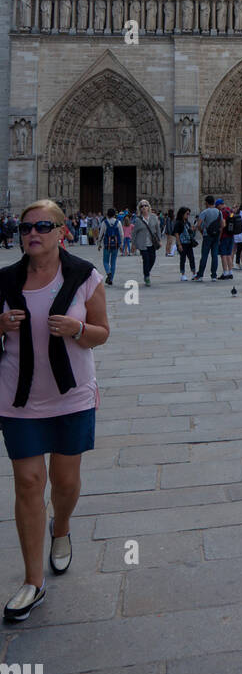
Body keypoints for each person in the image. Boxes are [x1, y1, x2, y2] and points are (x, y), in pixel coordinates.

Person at [0, 199, 109, 622]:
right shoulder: (5, 279)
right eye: (25, 227)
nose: (33, 233)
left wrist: (79, 329)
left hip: (71, 397)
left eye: (43, 226)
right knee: (28, 484)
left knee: (65, 483)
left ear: (61, 231)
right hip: (18, 398)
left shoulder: (84, 275)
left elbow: (102, 333)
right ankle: (32, 582)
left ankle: (60, 527)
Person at [192, 196, 222, 282]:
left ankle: (200, 275)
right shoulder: (219, 212)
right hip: (216, 236)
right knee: (214, 255)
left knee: (204, 255)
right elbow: (222, 225)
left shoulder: (204, 212)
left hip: (207, 235)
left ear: (206, 203)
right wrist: (219, 235)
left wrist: (202, 231)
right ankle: (214, 276)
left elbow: (198, 224)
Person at [132, 200, 161, 288]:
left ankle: (146, 272)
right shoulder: (138, 220)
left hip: (152, 243)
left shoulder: (154, 217)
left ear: (148, 207)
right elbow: (134, 233)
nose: (144, 207)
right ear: (140, 209)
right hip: (142, 244)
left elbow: (158, 229)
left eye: (145, 205)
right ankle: (147, 276)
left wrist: (159, 240)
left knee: (152, 259)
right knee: (146, 259)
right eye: (142, 206)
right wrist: (133, 244)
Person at [97, 207, 122, 287]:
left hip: (107, 245)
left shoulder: (104, 222)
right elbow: (121, 234)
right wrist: (121, 244)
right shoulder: (118, 222)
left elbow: (101, 233)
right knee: (113, 262)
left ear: (107, 214)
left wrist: (99, 243)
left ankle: (108, 272)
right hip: (115, 245)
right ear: (115, 214)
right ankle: (111, 279)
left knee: (105, 261)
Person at [173, 207, 197, 281]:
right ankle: (183, 274)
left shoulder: (187, 222)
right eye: (187, 214)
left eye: (188, 214)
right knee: (183, 259)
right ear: (182, 214)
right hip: (182, 243)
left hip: (188, 243)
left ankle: (194, 273)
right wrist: (179, 244)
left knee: (191, 258)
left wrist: (193, 230)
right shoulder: (178, 223)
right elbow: (176, 234)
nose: (188, 215)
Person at [217, 202, 235, 279]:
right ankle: (230, 272)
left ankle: (225, 272)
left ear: (219, 205)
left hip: (224, 236)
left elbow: (223, 225)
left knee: (223, 255)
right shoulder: (230, 210)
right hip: (231, 235)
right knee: (229, 254)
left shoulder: (223, 212)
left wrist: (219, 237)